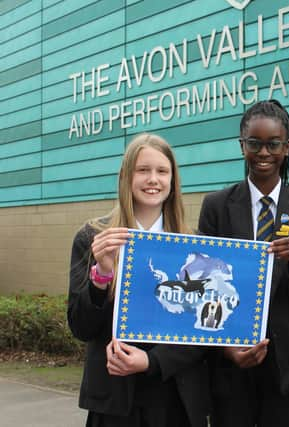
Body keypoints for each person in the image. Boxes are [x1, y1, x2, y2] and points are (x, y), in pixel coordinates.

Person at [197, 99, 289, 427]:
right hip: (230, 361)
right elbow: (204, 288)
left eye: (273, 144)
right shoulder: (216, 206)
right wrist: (227, 348)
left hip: (286, 364)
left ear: (287, 147)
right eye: (255, 143)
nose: (264, 153)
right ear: (243, 146)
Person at [68, 133, 210, 427]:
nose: (153, 179)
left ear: (173, 180)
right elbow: (81, 327)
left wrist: (152, 362)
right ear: (126, 177)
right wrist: (102, 275)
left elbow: (201, 335)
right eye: (143, 170)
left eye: (162, 171)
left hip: (176, 396)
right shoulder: (94, 237)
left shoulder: (193, 245)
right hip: (116, 399)